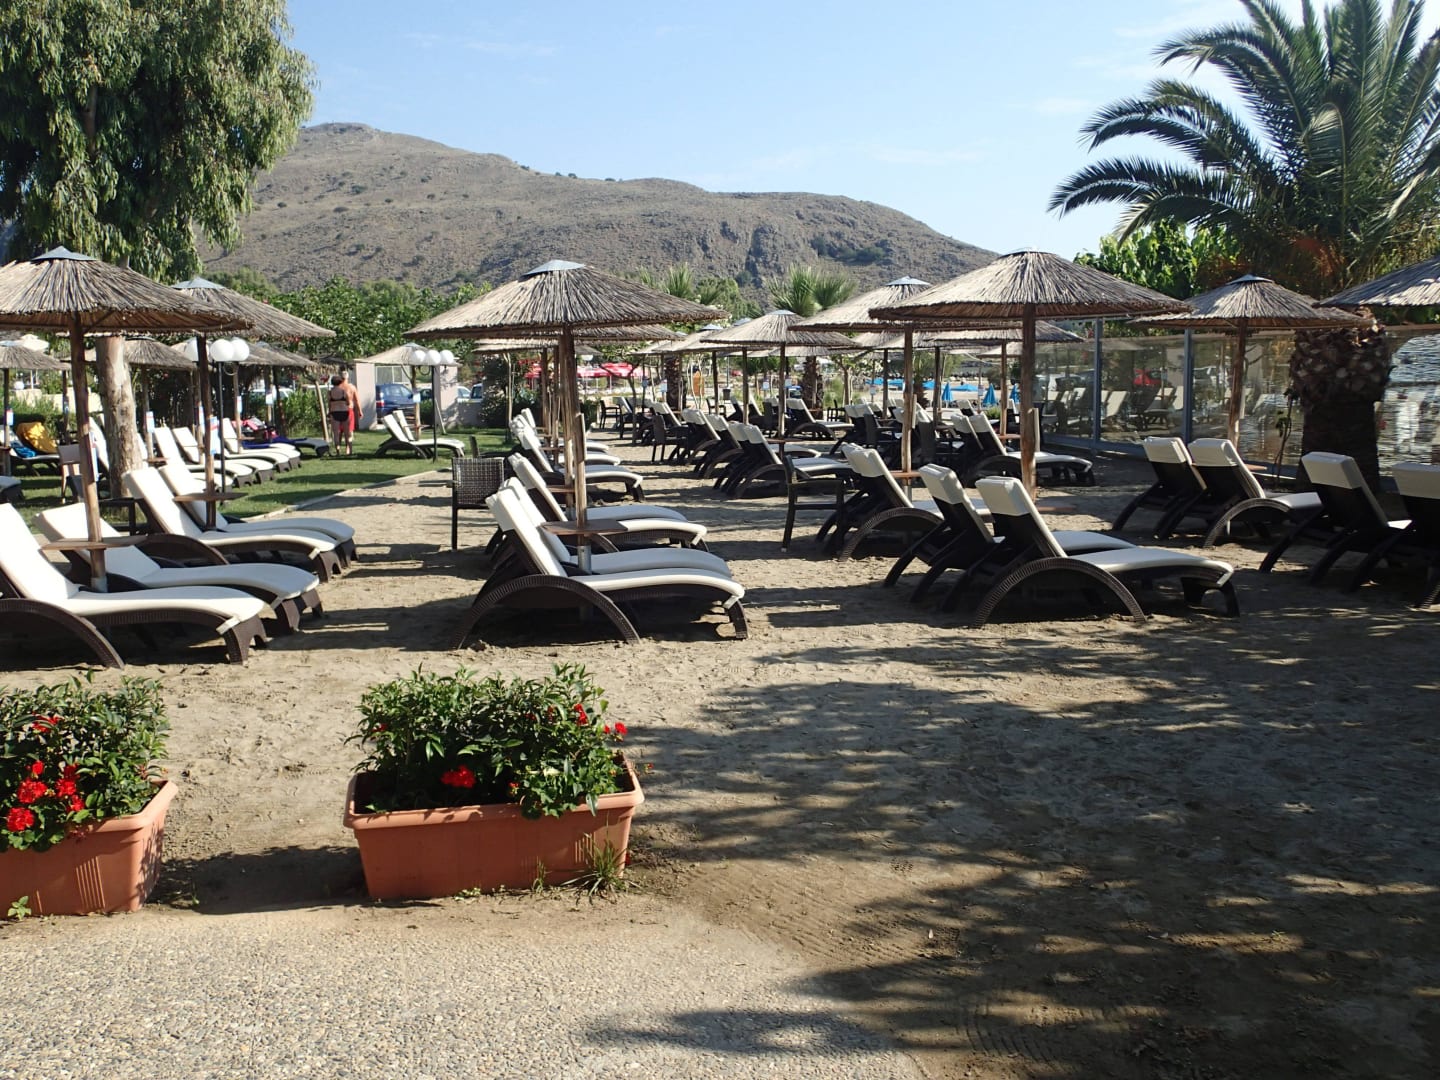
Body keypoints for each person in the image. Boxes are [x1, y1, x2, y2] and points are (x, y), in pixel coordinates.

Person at [328, 372, 361, 455]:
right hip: (345, 412)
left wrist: (330, 412)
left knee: (336, 433)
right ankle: (350, 450)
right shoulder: (345, 391)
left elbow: (329, 404)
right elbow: (349, 402)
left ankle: (338, 450)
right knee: (348, 433)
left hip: (334, 412)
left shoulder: (330, 392)